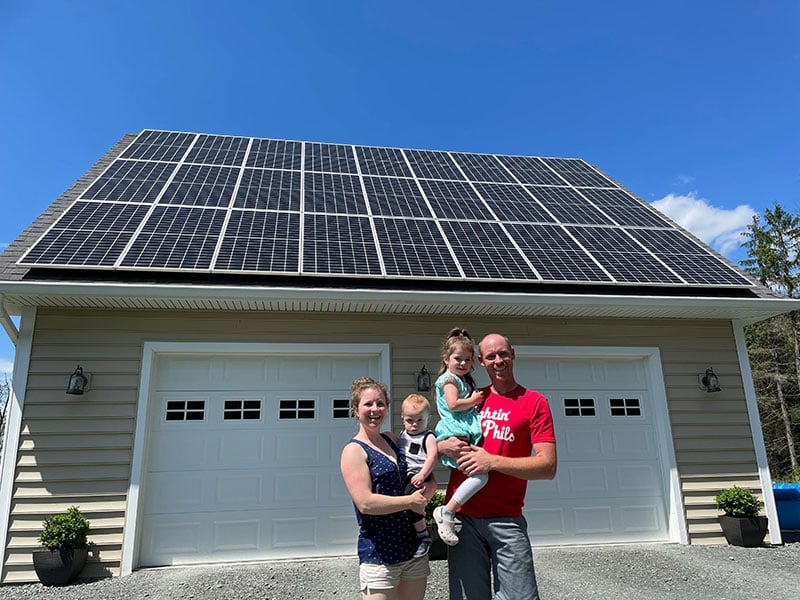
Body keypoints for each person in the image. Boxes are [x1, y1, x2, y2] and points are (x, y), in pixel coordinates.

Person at [439, 333, 557, 600]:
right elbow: (439, 434)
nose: (498, 360)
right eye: (491, 356)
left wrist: (491, 461)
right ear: (481, 361)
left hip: (506, 518)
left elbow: (547, 466)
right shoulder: (471, 399)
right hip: (463, 519)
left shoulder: (534, 402)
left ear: (513, 353)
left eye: (503, 353)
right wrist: (441, 446)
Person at [340, 377, 431, 600]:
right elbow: (366, 503)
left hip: (413, 551)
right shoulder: (354, 451)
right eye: (368, 404)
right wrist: (409, 502)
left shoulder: (392, 439)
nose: (375, 409)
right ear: (355, 409)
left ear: (387, 408)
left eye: (380, 404)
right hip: (380, 554)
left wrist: (430, 485)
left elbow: (420, 460)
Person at [430, 328, 487, 545]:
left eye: (467, 359)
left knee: (476, 475)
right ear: (446, 359)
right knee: (481, 476)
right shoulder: (449, 380)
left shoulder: (462, 379)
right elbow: (453, 404)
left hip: (461, 431)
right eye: (457, 359)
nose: (462, 363)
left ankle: (453, 513)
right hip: (454, 432)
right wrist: (473, 401)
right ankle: (447, 512)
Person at [397, 393, 439, 557]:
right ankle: (411, 535)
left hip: (420, 475)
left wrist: (422, 474)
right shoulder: (402, 435)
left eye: (420, 420)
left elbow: (432, 457)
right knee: (403, 504)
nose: (415, 424)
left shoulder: (427, 437)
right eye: (410, 420)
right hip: (407, 476)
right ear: (402, 418)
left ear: (428, 418)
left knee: (411, 502)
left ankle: (423, 536)